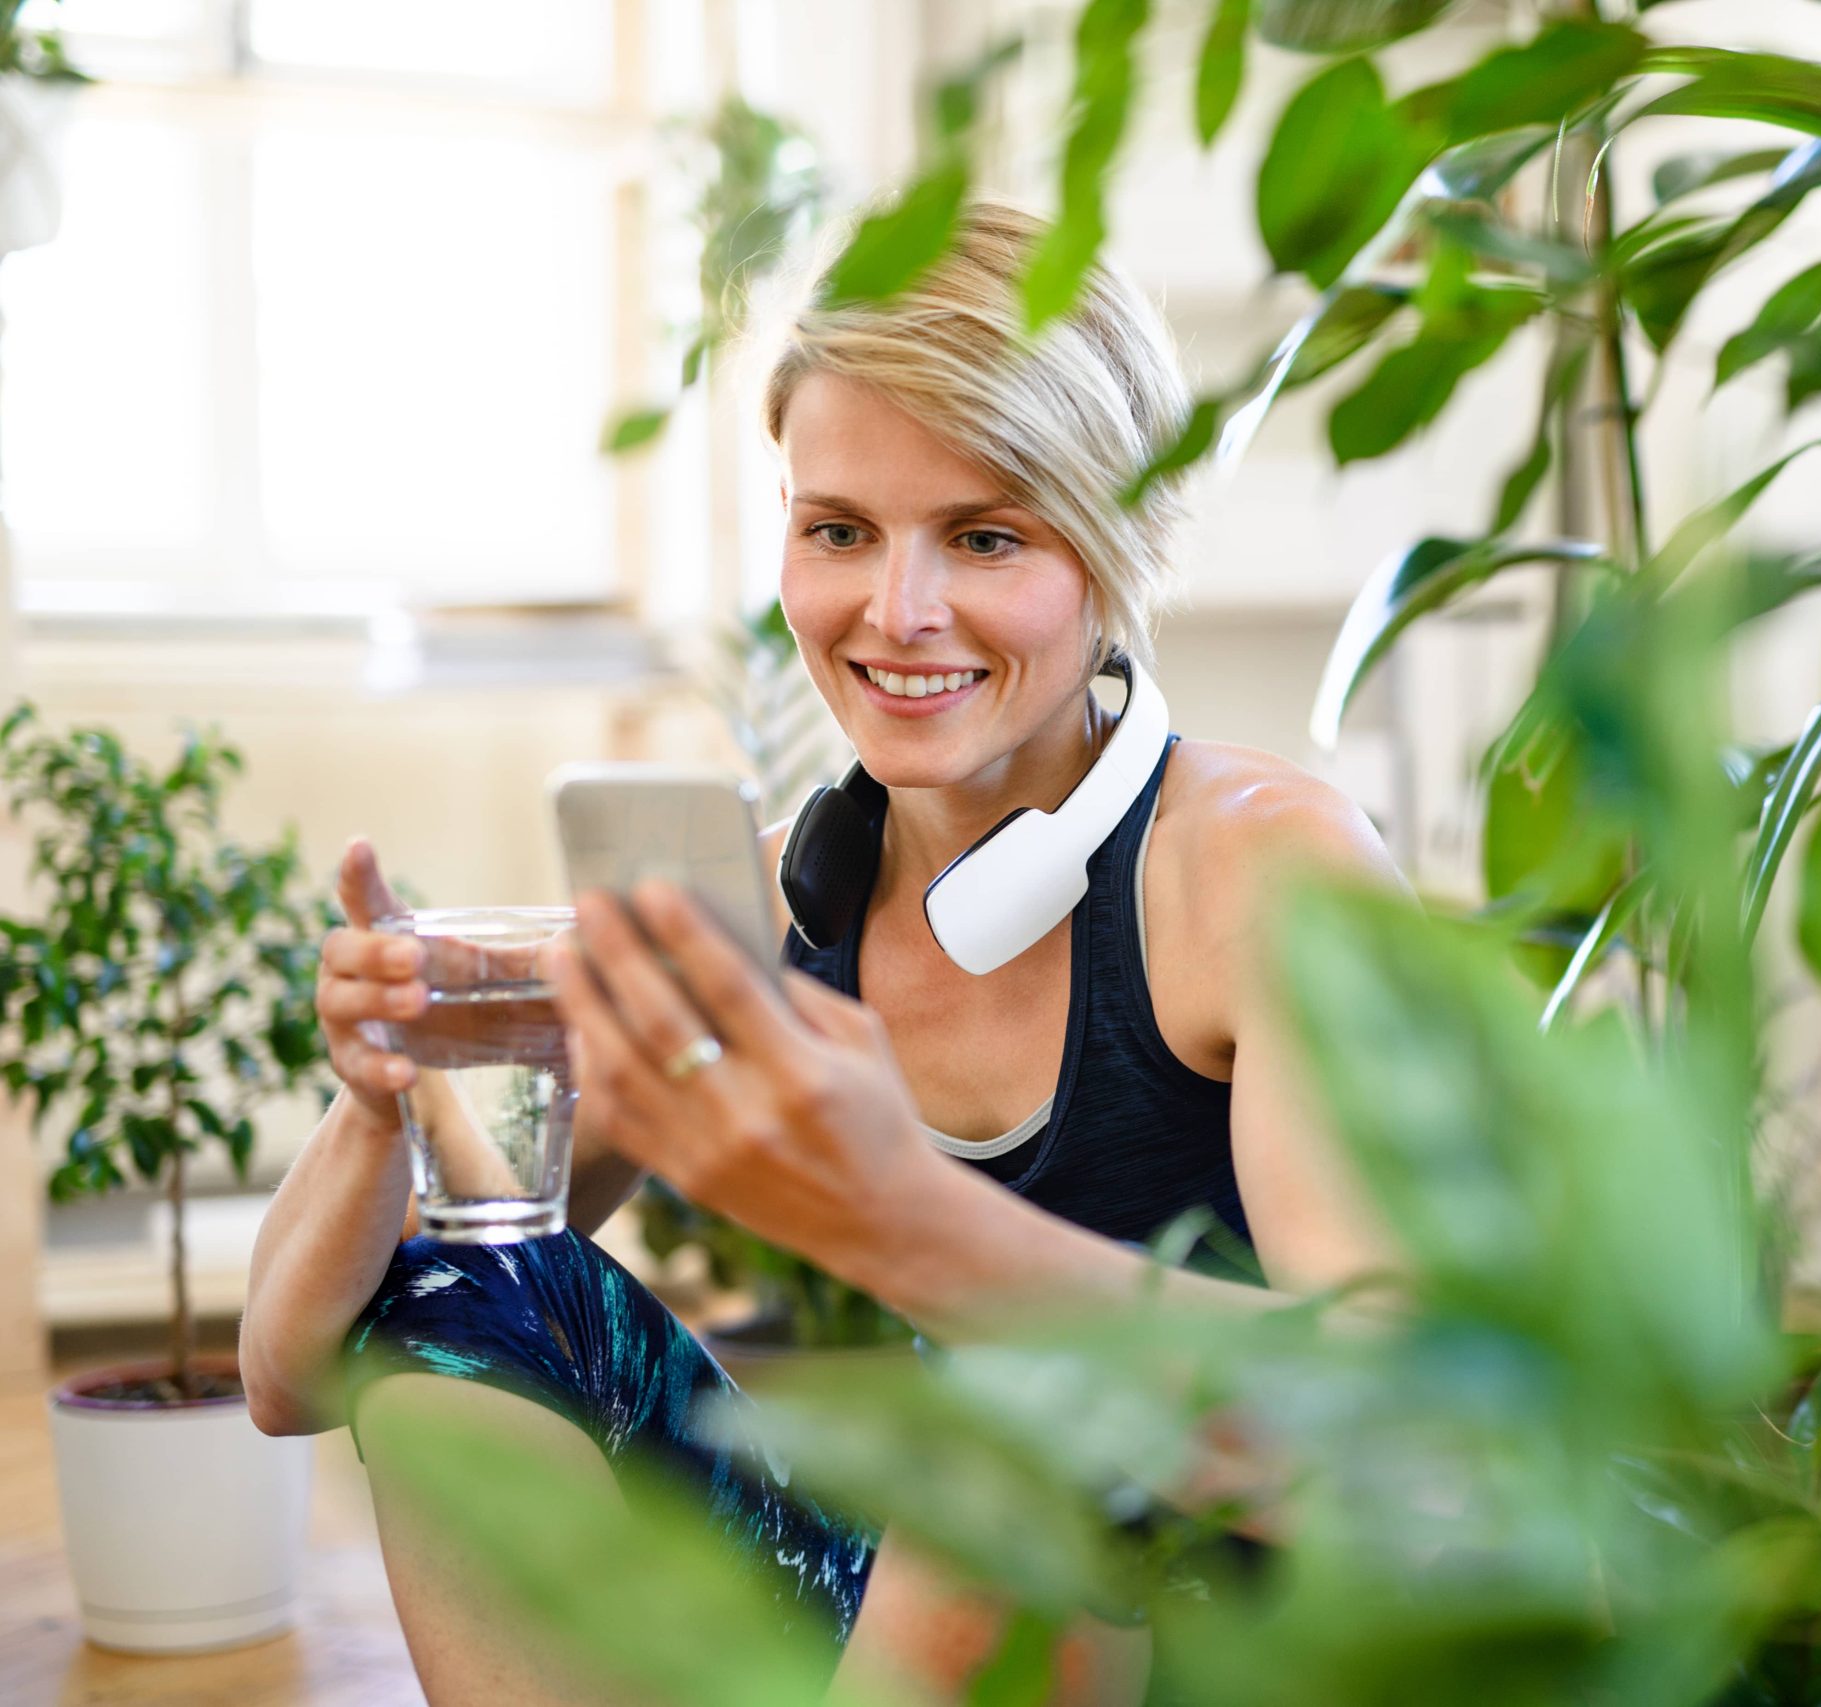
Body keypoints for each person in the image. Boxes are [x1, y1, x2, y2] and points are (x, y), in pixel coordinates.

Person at [237, 200, 1400, 1706]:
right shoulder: (783, 898)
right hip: (955, 1630)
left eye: (985, 537)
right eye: (838, 530)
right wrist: (386, 1089)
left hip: (1255, 1647)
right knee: (473, 1308)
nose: (895, 613)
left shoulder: (1263, 872)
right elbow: (288, 1373)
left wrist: (909, 1218)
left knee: (1015, 1439)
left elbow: (1412, 1441)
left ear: (1117, 556)